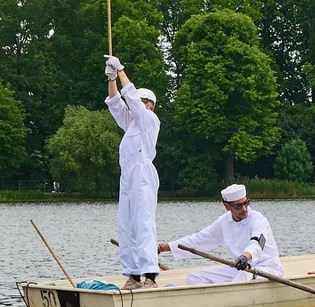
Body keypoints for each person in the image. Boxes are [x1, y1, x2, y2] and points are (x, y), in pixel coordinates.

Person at [104, 54, 161, 290]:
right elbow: (116, 104)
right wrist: (111, 79)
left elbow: (132, 102)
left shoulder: (150, 120)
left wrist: (121, 71)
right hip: (127, 177)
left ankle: (150, 275)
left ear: (149, 104)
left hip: (144, 177)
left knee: (143, 223)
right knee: (126, 225)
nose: (137, 103)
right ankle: (133, 274)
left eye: (141, 100)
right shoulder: (131, 124)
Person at [162, 183, 283, 285]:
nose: (244, 209)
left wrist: (245, 256)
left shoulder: (258, 220)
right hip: (241, 268)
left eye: (246, 203)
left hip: (267, 268)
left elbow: (257, 243)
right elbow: (198, 240)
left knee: (242, 278)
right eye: (238, 206)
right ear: (226, 206)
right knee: (194, 277)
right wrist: (161, 248)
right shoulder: (223, 222)